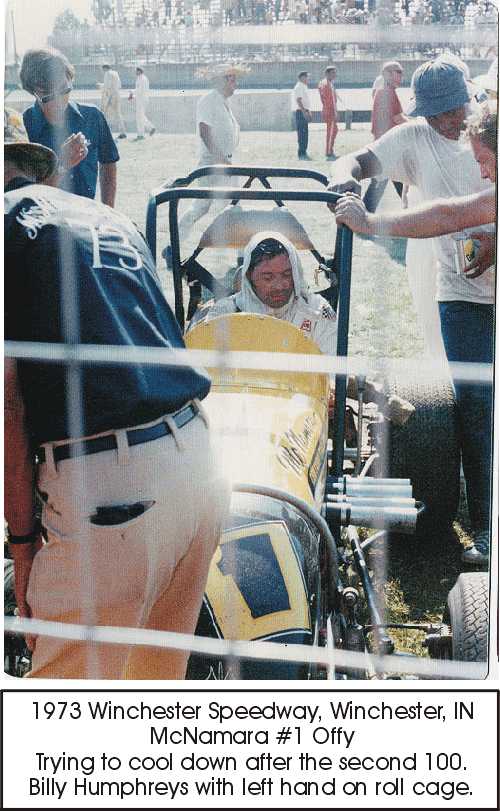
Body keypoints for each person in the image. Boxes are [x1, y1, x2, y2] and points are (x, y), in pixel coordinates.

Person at [4, 108, 229, 680]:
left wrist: (24, 549)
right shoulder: (107, 216)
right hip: (198, 463)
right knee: (148, 691)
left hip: (114, 491)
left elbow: (9, 408)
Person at [329, 59, 495, 566]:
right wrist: (344, 181)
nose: (447, 121)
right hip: (461, 291)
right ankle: (487, 523)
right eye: (436, 113)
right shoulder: (415, 139)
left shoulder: (487, 128)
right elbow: (360, 162)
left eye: (453, 110)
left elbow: (457, 212)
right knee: (476, 405)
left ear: (469, 101)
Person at [189, 232, 414, 424]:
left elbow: (334, 367)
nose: (279, 285)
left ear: (296, 272)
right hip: (238, 411)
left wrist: (330, 393)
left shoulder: (317, 312)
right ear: (249, 276)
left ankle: (380, 396)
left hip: (302, 409)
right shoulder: (224, 313)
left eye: (286, 275)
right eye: (268, 277)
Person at [163, 62, 248, 268]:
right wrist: (221, 160)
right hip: (213, 164)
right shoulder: (209, 101)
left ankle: (242, 255)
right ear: (223, 80)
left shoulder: (222, 103)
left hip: (224, 163)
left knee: (214, 207)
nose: (235, 83)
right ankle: (242, 256)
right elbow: (205, 131)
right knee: (210, 207)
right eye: (232, 79)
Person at [21, 48, 119, 207]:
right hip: (44, 219)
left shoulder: (93, 117)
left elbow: (108, 163)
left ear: (70, 79)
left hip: (86, 215)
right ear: (33, 92)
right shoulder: (22, 127)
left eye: (64, 90)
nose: (59, 100)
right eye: (49, 96)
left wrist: (108, 210)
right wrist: (61, 165)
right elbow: (23, 198)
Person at [362, 61, 407, 213]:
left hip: (386, 145)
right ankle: (362, 213)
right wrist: (417, 124)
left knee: (396, 180)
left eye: (401, 72)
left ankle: (410, 208)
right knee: (382, 182)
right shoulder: (387, 93)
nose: (401, 76)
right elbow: (398, 118)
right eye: (397, 72)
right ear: (386, 74)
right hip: (387, 147)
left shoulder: (385, 91)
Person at [99, 63, 127, 140]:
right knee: (118, 114)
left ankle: (103, 132)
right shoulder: (115, 73)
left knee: (104, 114)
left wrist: (101, 86)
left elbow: (107, 86)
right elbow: (119, 85)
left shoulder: (107, 74)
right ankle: (123, 132)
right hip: (117, 95)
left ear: (105, 68)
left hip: (110, 96)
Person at [129, 67, 156, 141]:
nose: (135, 72)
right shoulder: (141, 78)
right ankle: (150, 128)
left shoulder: (142, 79)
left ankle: (141, 134)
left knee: (139, 118)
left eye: (136, 71)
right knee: (141, 116)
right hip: (141, 99)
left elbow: (139, 90)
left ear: (139, 71)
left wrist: (132, 92)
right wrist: (133, 94)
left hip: (141, 100)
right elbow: (139, 91)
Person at [318, 65, 339, 160]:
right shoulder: (326, 84)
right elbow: (329, 101)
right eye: (333, 73)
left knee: (334, 130)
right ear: (327, 73)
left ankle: (330, 149)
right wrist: (334, 112)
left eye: (335, 73)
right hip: (329, 111)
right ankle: (329, 151)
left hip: (329, 110)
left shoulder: (327, 83)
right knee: (331, 132)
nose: (335, 75)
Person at [292, 71, 313, 160]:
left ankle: (304, 151)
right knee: (302, 133)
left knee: (305, 133)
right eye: (306, 77)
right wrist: (304, 112)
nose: (308, 79)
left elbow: (305, 101)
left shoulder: (304, 86)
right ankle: (301, 152)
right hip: (301, 112)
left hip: (304, 110)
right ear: (302, 77)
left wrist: (308, 111)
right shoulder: (299, 86)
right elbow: (299, 100)